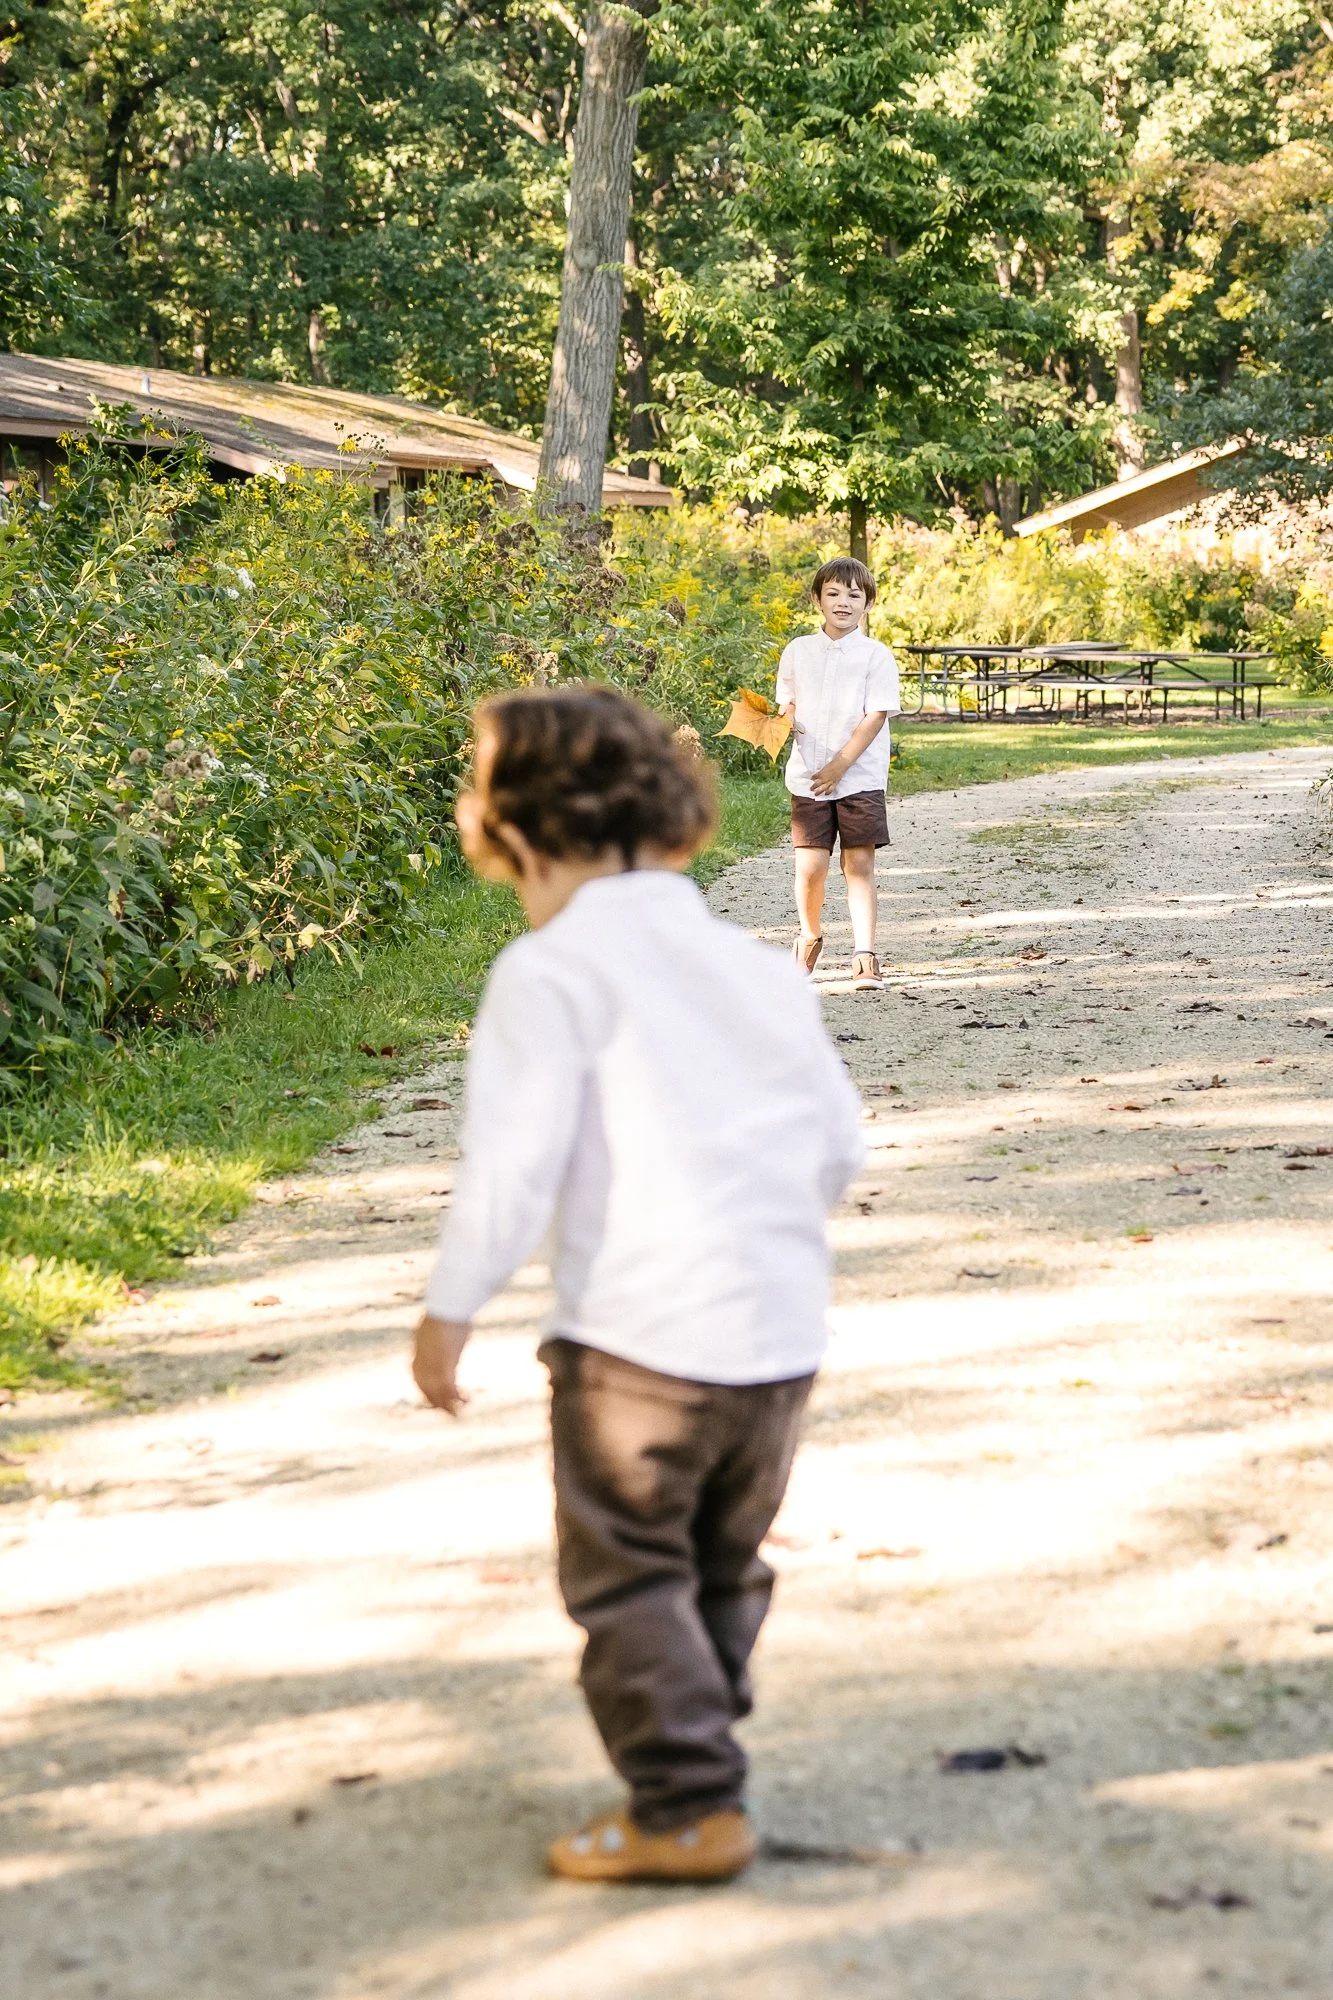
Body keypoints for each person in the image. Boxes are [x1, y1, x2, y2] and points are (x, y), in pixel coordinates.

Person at [412, 686, 864, 1884]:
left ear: (510, 835)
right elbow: (836, 1143)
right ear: (676, 816)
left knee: (626, 1572)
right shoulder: (757, 971)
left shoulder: (546, 972)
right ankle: (699, 1743)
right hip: (774, 1344)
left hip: (634, 1352)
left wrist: (448, 1309)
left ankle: (683, 1802)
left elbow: (510, 1173)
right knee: (723, 1559)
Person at [776, 555, 901, 991]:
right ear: (817, 599)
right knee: (810, 867)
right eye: (833, 593)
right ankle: (809, 937)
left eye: (854, 595)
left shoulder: (876, 656)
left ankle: (865, 956)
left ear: (868, 604)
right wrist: (786, 717)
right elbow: (787, 700)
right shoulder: (797, 651)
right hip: (808, 775)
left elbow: (876, 715)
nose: (843, 602)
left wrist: (841, 764)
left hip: (859, 776)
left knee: (858, 862)